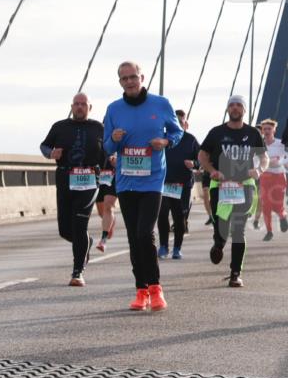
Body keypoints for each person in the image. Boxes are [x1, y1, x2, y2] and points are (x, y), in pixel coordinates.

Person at [103, 61, 183, 311]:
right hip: (126, 180)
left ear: (142, 78)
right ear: (120, 82)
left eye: (133, 77)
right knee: (133, 238)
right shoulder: (113, 109)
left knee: (144, 233)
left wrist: (165, 142)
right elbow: (107, 146)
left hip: (152, 179)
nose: (129, 82)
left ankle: (156, 288)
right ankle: (141, 291)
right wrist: (113, 139)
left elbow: (177, 132)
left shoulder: (161, 104)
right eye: (124, 78)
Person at [198, 96, 268, 287]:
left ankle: (235, 274)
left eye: (239, 105)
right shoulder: (216, 132)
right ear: (228, 109)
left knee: (238, 229)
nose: (235, 108)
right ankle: (218, 243)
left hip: (244, 185)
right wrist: (212, 171)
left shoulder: (253, 133)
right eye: (231, 105)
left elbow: (264, 158)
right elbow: (202, 155)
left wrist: (259, 170)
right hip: (220, 185)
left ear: (244, 110)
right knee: (221, 224)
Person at [40, 93, 104, 285]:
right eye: (76, 104)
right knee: (65, 230)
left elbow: (110, 148)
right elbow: (44, 146)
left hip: (89, 179)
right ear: (71, 107)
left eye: (83, 104)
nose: (79, 107)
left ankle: (77, 272)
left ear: (89, 108)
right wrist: (51, 153)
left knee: (79, 224)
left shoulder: (99, 128)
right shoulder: (60, 126)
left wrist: (112, 158)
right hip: (65, 178)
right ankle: (86, 242)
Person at [157, 109, 199, 260]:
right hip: (163, 183)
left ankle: (177, 248)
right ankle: (163, 246)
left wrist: (194, 163)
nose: (178, 124)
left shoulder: (191, 139)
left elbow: (201, 159)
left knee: (179, 217)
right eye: (175, 122)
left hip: (182, 184)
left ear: (185, 124)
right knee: (162, 215)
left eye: (181, 122)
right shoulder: (162, 138)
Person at [258, 118, 288, 240]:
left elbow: (286, 159)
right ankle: (269, 231)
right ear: (262, 131)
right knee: (265, 204)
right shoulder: (259, 145)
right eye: (264, 129)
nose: (266, 131)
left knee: (278, 205)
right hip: (265, 177)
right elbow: (255, 161)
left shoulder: (281, 144)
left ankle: (282, 217)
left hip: (279, 177)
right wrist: (269, 162)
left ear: (274, 130)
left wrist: (279, 161)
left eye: (269, 129)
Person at [95, 153, 118, 252]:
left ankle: (103, 241)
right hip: (97, 173)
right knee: (101, 212)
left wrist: (117, 158)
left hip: (113, 173)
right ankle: (111, 220)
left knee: (108, 206)